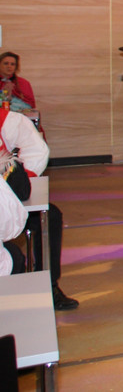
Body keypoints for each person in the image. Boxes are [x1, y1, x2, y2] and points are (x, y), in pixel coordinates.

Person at [0, 108, 78, 309]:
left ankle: (49, 285)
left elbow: (36, 148)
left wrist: (20, 180)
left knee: (50, 216)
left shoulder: (5, 119)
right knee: (13, 256)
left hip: (6, 200)